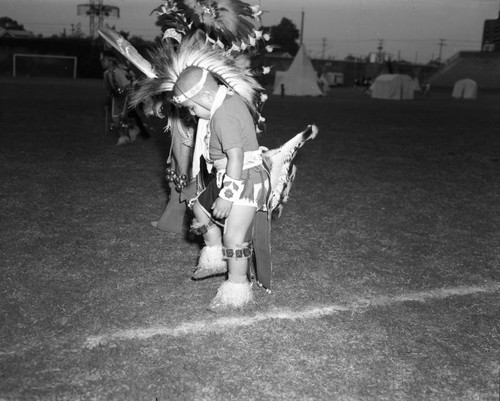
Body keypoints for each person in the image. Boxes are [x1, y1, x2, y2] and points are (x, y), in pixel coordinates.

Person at [173, 66, 270, 312]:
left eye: (192, 108)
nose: (193, 114)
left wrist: (228, 196)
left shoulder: (223, 115)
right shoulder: (226, 98)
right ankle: (215, 256)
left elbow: (236, 156)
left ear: (205, 97)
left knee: (234, 238)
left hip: (245, 179)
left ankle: (237, 288)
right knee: (199, 208)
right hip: (230, 174)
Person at [101, 51, 148, 145]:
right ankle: (126, 134)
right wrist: (108, 99)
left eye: (104, 60)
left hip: (125, 97)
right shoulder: (106, 74)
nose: (102, 62)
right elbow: (109, 89)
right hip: (115, 98)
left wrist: (131, 98)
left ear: (110, 61)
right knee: (115, 119)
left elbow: (128, 86)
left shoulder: (118, 72)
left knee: (123, 117)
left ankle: (126, 136)